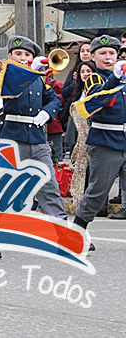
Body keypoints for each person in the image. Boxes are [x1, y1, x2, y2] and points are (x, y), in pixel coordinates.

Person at [0, 36, 67, 220]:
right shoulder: (8, 74)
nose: (23, 58)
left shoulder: (38, 80)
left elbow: (55, 99)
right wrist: (25, 73)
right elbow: (7, 88)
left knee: (48, 186)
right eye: (18, 54)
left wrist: (47, 113)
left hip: (37, 138)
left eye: (27, 55)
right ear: (10, 56)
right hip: (12, 138)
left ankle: (62, 227)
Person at [74, 35, 126, 245]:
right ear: (93, 57)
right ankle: (76, 232)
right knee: (98, 191)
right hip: (106, 142)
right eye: (102, 53)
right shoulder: (95, 79)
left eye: (112, 53)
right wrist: (115, 77)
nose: (108, 57)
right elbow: (97, 99)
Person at [62, 60, 96, 214]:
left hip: (94, 137)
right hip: (78, 137)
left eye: (89, 71)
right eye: (83, 72)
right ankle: (78, 202)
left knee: (93, 173)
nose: (86, 74)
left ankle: (92, 204)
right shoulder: (77, 92)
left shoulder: (98, 90)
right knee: (79, 171)